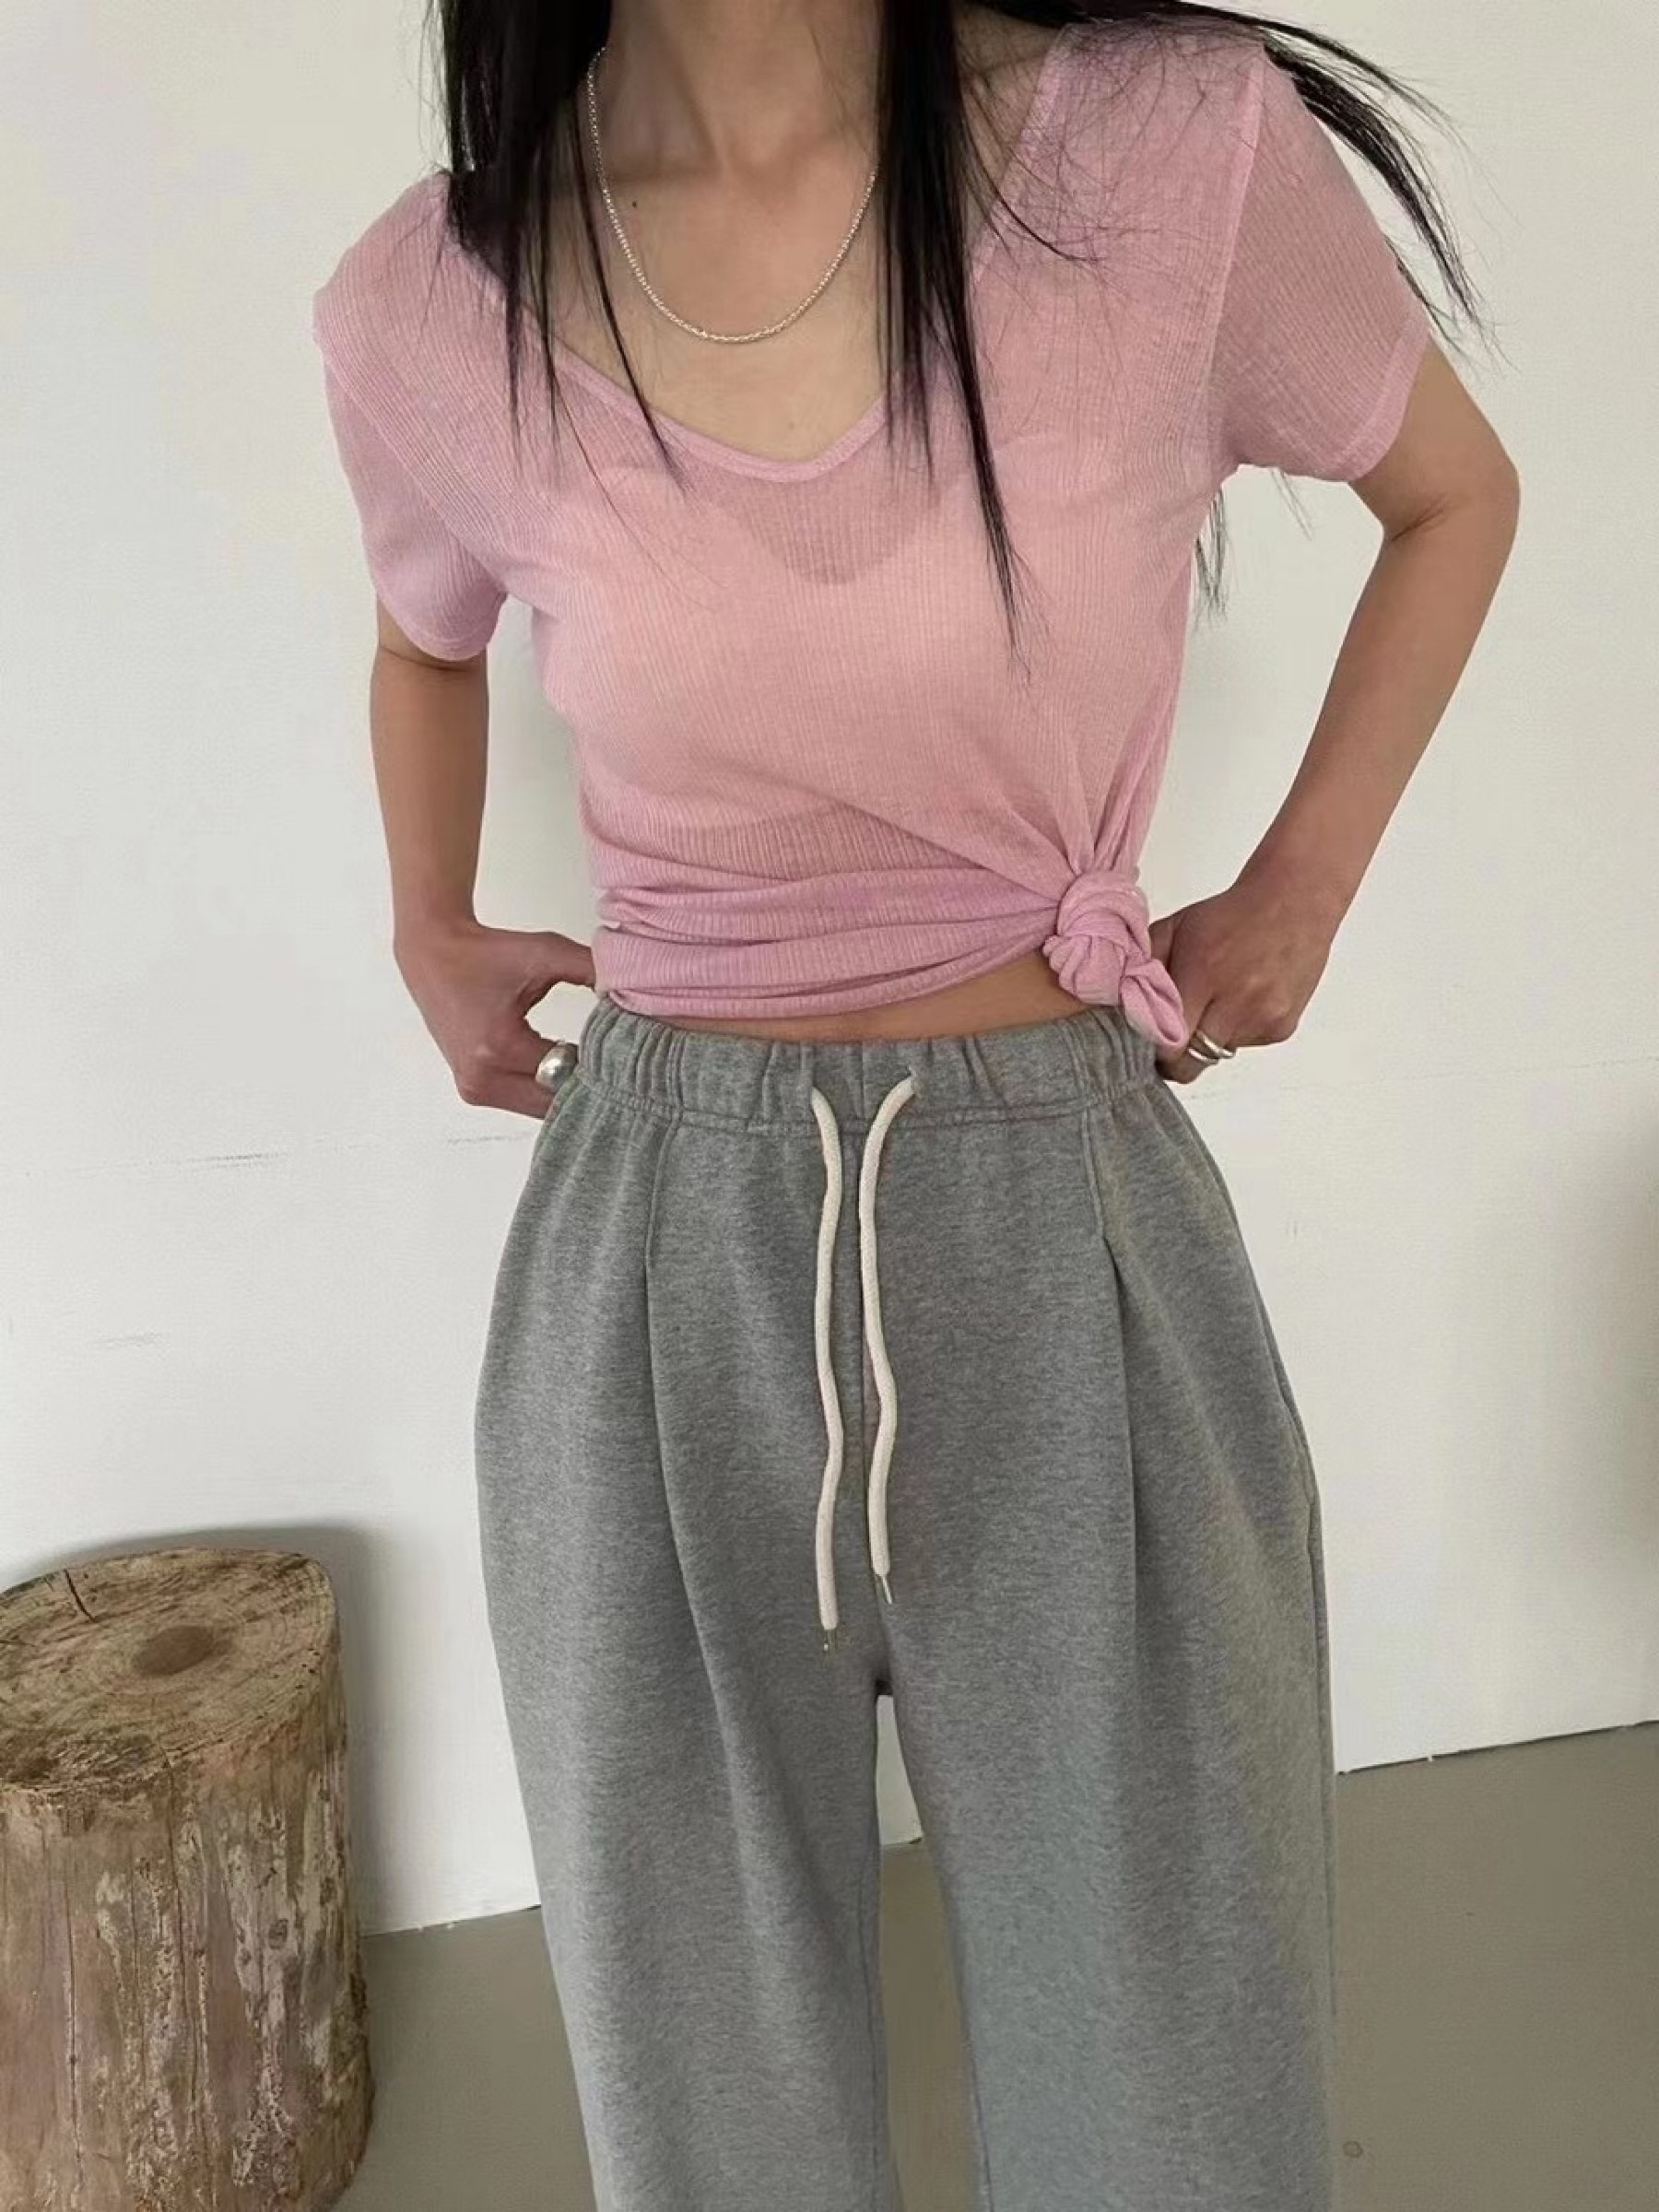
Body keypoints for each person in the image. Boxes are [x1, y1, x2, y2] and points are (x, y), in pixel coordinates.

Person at [311, 3, 1517, 2206]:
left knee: (1177, 2067)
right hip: (653, 1281)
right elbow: (422, 637)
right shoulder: (432, 294)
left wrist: (1305, 887)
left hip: (1069, 1233)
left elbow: (1452, 493)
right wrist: (425, 918)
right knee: (707, 2096)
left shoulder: (1169, 155)